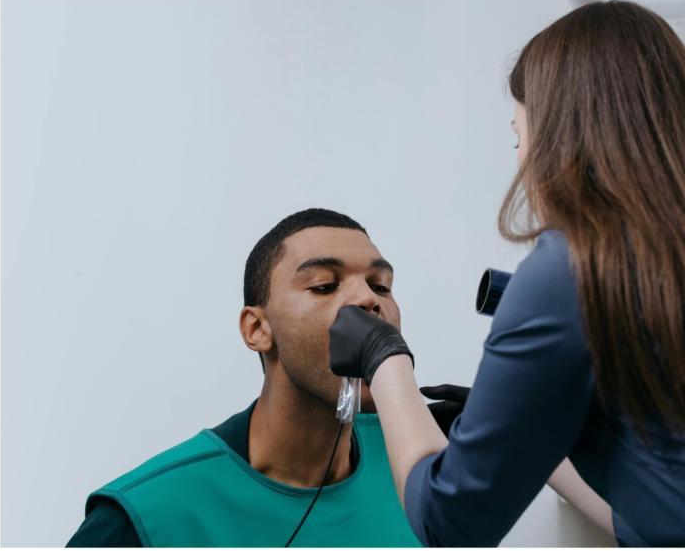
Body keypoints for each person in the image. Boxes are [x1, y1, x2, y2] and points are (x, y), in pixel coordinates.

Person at [328, 0, 685, 547]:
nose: (520, 161)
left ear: (560, 135)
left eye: (519, 136)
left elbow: (449, 522)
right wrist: (535, 440)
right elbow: (672, 514)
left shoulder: (566, 272)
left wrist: (385, 359)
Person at [69, 208, 432, 547]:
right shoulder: (146, 517)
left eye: (381, 286)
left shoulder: (424, 474)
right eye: (324, 285)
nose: (368, 299)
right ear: (257, 328)